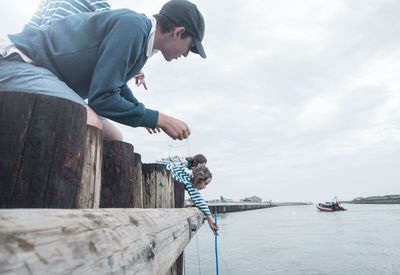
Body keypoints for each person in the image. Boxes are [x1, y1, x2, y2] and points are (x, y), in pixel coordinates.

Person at [0, 0, 206, 141]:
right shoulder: (134, 26)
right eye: (191, 47)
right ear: (178, 32)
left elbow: (116, 84)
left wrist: (144, 114)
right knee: (88, 121)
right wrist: (160, 118)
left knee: (114, 137)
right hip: (21, 61)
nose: (187, 54)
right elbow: (102, 98)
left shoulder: (143, 42)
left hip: (44, 74)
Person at [157, 157, 218, 234]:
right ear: (200, 178)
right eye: (205, 183)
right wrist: (210, 219)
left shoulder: (185, 171)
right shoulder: (188, 179)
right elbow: (199, 200)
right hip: (158, 174)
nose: (205, 187)